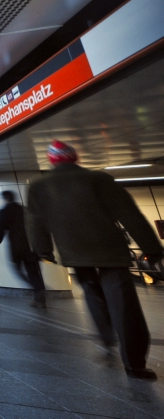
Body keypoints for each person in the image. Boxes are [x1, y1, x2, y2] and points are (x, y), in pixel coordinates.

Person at [26, 140, 163, 380]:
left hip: (74, 253)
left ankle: (107, 337)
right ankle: (134, 363)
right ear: (74, 157)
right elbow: (130, 214)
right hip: (109, 250)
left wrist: (43, 250)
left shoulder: (39, 186)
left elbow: (35, 221)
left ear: (52, 160)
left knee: (92, 293)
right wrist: (152, 248)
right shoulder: (99, 179)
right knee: (123, 303)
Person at [0, 190, 47, 308]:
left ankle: (37, 288)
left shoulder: (4, 211)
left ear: (5, 199)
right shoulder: (25, 209)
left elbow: (0, 229)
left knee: (17, 269)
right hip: (31, 246)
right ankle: (40, 298)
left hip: (17, 247)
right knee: (33, 272)